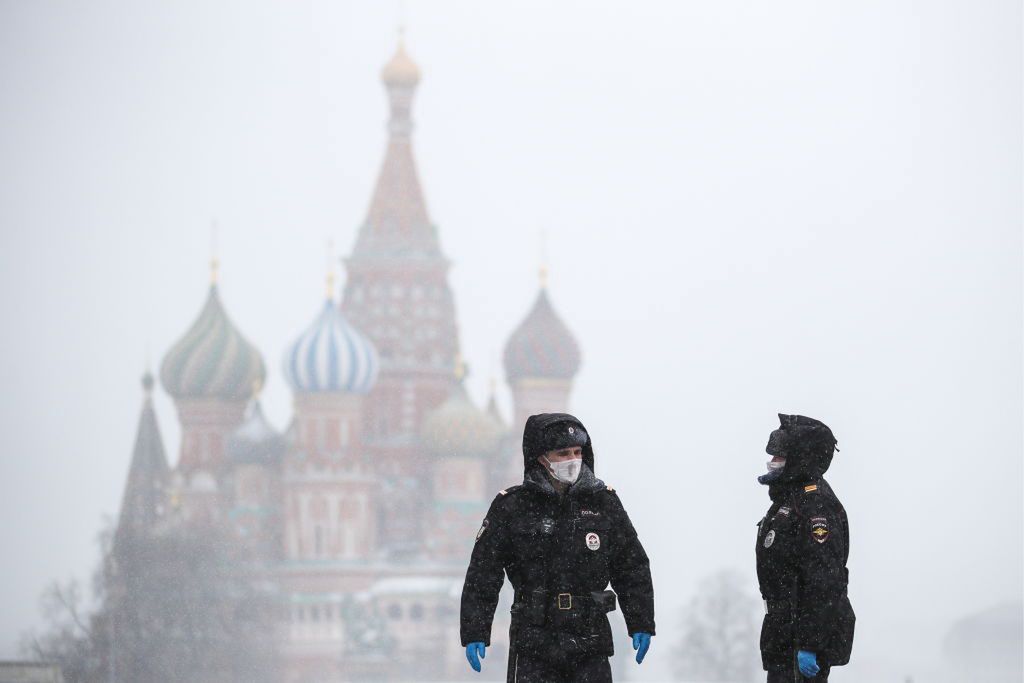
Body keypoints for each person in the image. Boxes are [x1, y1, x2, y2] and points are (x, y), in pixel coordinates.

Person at [460, 413, 655, 682]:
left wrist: (641, 621)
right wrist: (475, 630)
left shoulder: (603, 503)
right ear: (541, 457)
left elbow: (631, 566)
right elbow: (484, 573)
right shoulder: (513, 507)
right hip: (534, 641)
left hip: (590, 638)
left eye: (577, 451)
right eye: (563, 453)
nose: (572, 460)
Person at [755, 414, 855, 681]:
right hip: (784, 634)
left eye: (779, 456)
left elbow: (823, 580)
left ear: (797, 459)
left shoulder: (815, 506)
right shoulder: (791, 500)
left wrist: (810, 643)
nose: (772, 462)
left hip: (802, 639)